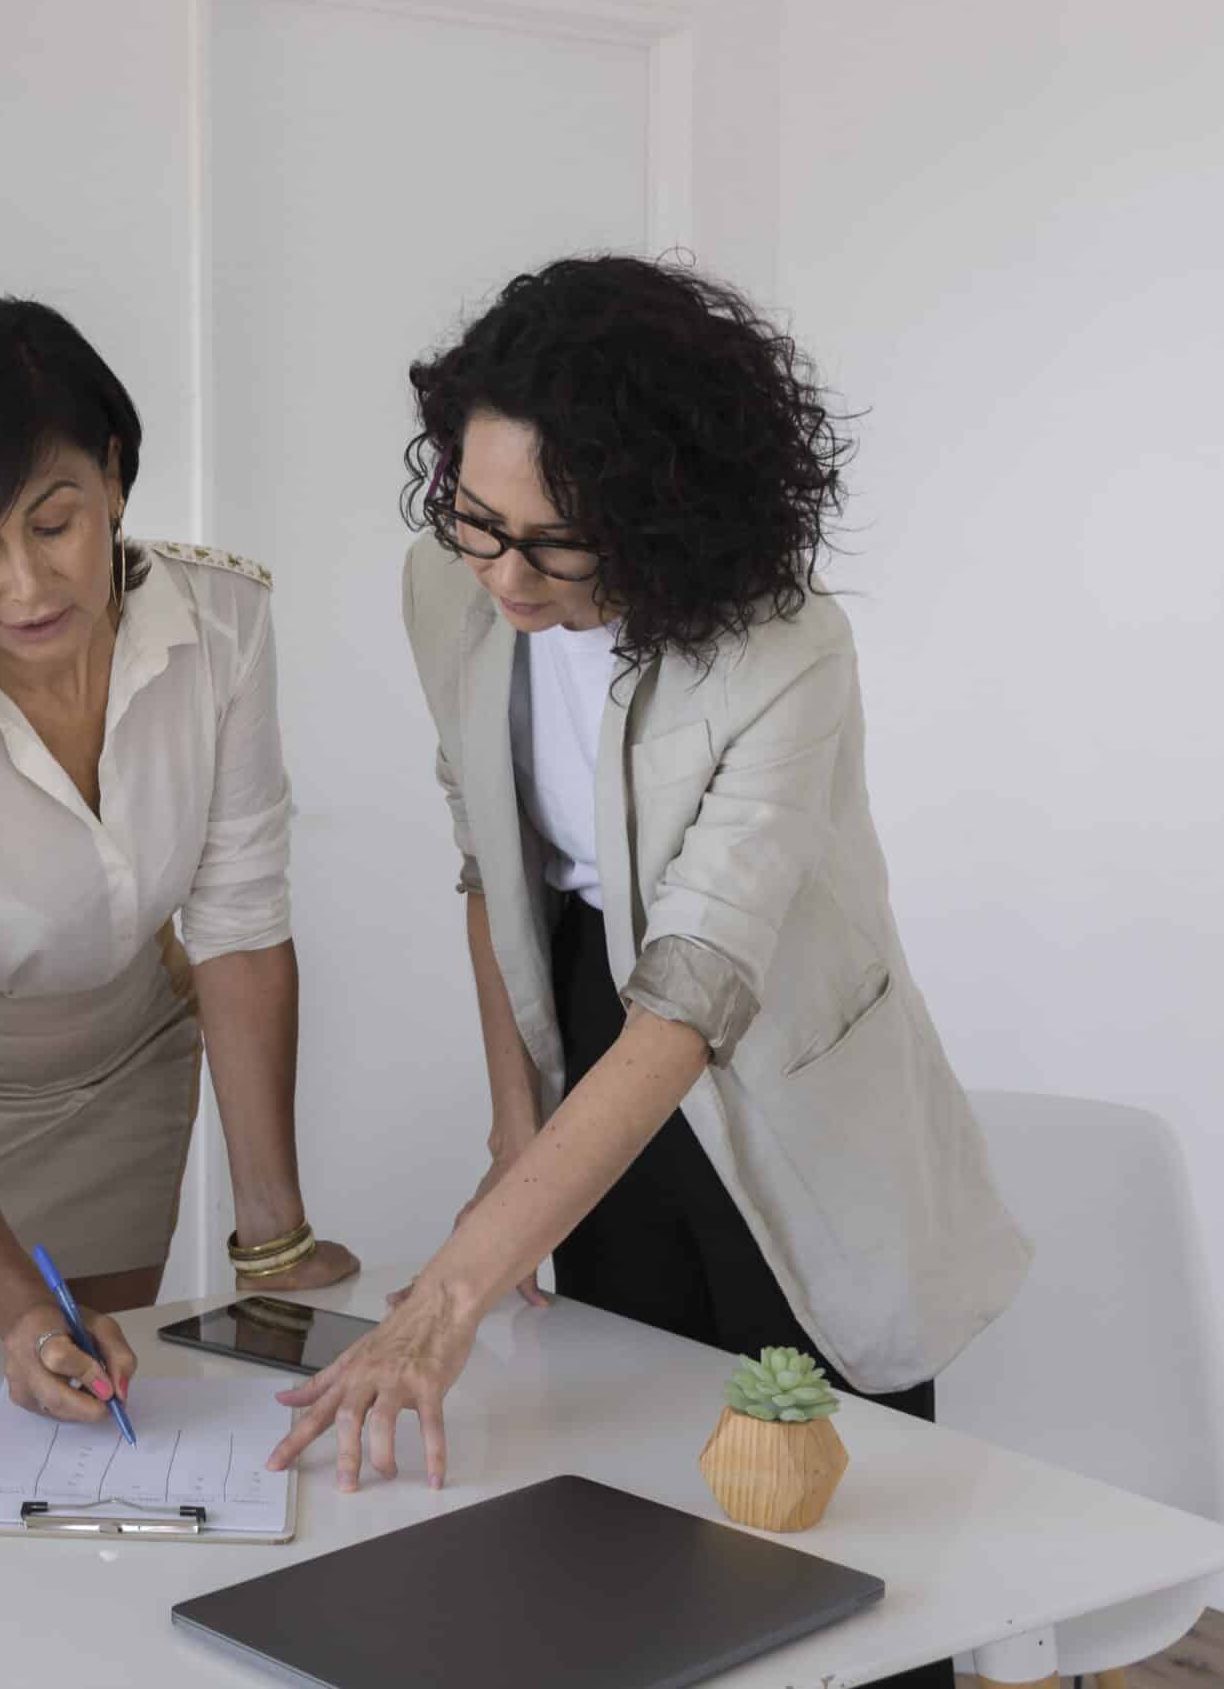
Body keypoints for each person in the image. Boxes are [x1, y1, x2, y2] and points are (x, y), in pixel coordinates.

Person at [270, 261, 1028, 1689]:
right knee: (634, 1515)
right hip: (583, 1039)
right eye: (472, 515)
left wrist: (448, 1294)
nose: (501, 573)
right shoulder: (453, 589)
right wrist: (513, 1133)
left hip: (778, 1073)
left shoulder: (788, 653)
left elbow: (688, 996)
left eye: (550, 545)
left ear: (662, 515)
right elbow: (494, 867)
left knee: (853, 1566)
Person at [0, 298, 357, 1428]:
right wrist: (16, 1310)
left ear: (112, 476)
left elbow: (241, 926)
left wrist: (273, 1243)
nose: (24, 585)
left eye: (52, 525)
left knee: (114, 1416)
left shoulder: (224, 623)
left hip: (128, 1070)